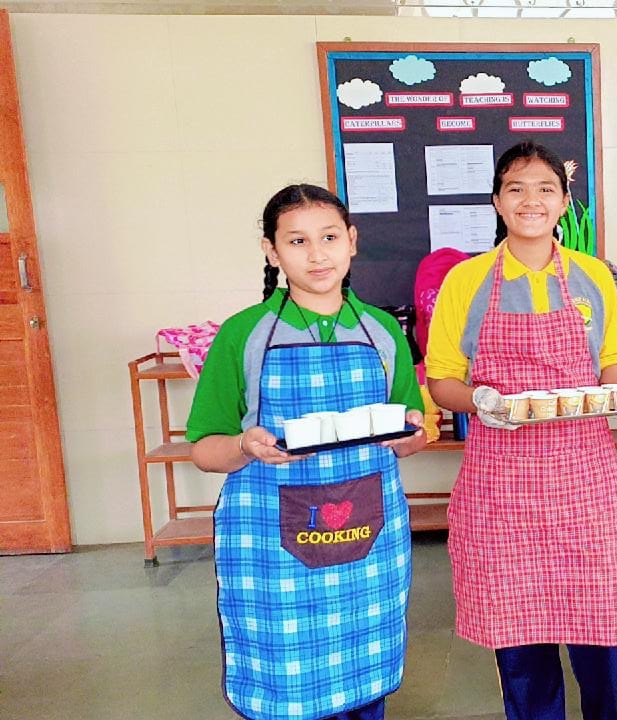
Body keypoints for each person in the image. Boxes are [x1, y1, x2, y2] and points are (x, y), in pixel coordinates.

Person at [188, 184, 430, 720]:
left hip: (367, 537)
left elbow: (411, 435)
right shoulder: (243, 335)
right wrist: (245, 447)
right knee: (288, 683)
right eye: (297, 241)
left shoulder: (383, 331)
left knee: (364, 677)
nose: (317, 254)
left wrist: (413, 436)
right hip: (273, 545)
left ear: (352, 241)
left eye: (329, 237)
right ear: (272, 251)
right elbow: (205, 449)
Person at [425, 141, 617, 720]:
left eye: (545, 188)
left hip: (585, 482)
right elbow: (442, 379)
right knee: (520, 643)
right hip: (503, 487)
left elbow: (612, 361)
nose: (531, 201)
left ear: (564, 202)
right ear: (497, 201)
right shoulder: (467, 281)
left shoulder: (595, 277)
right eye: (515, 188)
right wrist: (480, 400)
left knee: (603, 634)